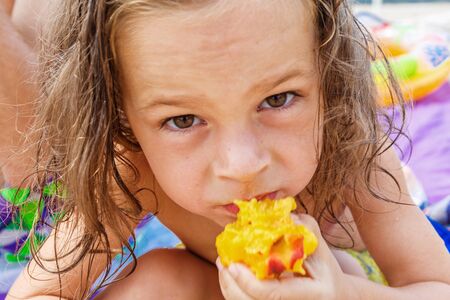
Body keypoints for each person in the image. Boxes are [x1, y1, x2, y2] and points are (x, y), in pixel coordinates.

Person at [6, 0, 450, 299]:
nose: (244, 165)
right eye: (182, 120)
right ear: (122, 118)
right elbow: (40, 290)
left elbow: (436, 285)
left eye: (277, 99)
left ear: (327, 73)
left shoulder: (350, 142)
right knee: (153, 279)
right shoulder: (132, 170)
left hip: (357, 281)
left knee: (341, 268)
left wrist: (341, 291)